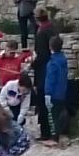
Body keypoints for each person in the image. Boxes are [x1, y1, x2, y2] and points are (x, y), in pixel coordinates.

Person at [31, 7, 56, 140]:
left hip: (43, 72)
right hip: (52, 69)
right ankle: (54, 130)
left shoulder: (41, 33)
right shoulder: (52, 29)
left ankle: (45, 132)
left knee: (42, 101)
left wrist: (31, 64)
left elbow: (41, 56)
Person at [41, 34, 71, 144]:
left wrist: (47, 93)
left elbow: (50, 79)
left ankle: (54, 137)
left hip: (53, 93)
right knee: (58, 114)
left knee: (52, 116)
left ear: (50, 47)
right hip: (62, 91)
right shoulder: (63, 60)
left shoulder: (52, 63)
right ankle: (60, 134)